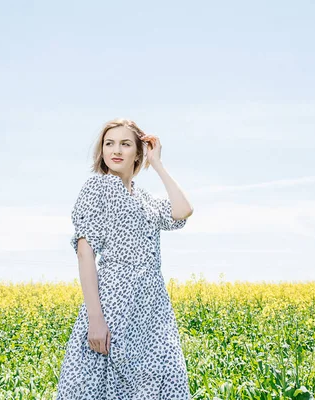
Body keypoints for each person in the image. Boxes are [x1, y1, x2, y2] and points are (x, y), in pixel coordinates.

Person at [56, 118, 194, 399]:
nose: (115, 150)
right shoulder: (98, 187)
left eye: (125, 144)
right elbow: (85, 252)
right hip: (114, 301)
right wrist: (96, 319)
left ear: (138, 153)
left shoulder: (144, 198)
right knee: (105, 383)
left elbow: (183, 211)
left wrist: (157, 164)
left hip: (152, 308)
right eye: (109, 143)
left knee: (158, 381)